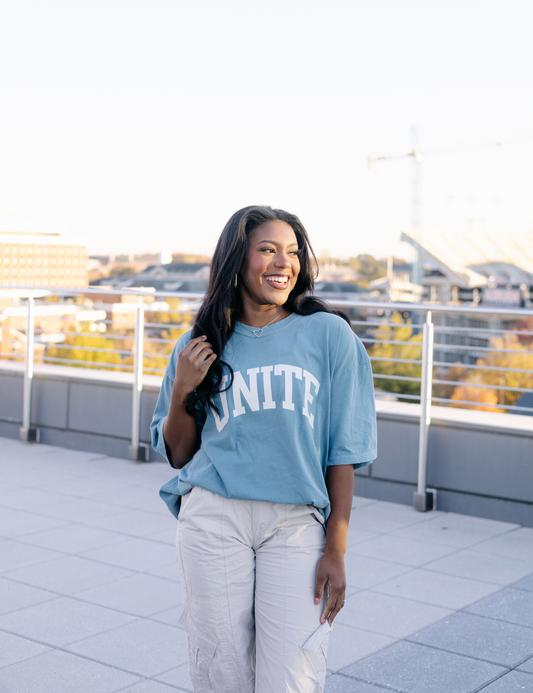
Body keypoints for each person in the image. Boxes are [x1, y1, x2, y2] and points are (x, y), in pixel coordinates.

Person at [151, 205, 377, 693]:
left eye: (292, 252)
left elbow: (345, 448)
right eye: (268, 250)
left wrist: (336, 548)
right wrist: (182, 390)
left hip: (295, 523)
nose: (283, 263)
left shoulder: (329, 335)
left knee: (294, 675)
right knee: (220, 672)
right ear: (238, 259)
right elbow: (178, 453)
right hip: (213, 518)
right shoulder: (200, 344)